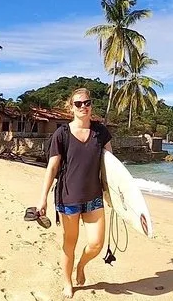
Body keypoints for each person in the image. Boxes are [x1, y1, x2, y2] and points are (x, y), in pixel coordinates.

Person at [35, 88, 113, 298]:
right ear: (71, 107)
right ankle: (67, 282)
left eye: (87, 102)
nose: (83, 107)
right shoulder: (62, 134)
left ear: (91, 105)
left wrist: (114, 195)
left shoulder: (101, 132)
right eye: (78, 104)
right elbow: (52, 167)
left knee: (96, 244)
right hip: (68, 198)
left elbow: (110, 167)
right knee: (70, 243)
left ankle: (81, 265)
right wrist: (42, 199)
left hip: (94, 197)